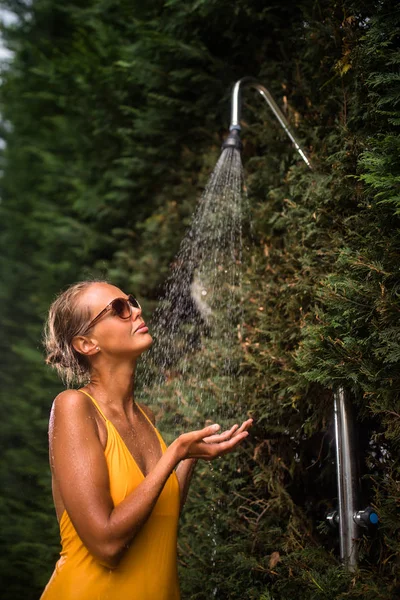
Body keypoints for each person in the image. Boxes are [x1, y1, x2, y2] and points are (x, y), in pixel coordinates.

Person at [40, 280, 252, 600]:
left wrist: (190, 456)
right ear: (86, 344)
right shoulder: (74, 407)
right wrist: (175, 452)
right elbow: (107, 546)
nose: (136, 310)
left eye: (132, 302)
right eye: (119, 309)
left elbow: (156, 521)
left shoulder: (145, 417)